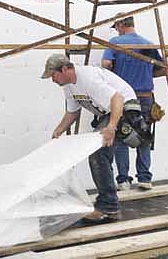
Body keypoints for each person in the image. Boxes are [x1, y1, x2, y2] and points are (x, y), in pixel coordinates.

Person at [42, 53, 138, 224]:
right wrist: (59, 130)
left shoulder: (88, 77)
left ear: (64, 69)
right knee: (98, 153)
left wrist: (112, 127)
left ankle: (108, 206)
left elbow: (118, 98)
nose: (53, 80)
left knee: (99, 153)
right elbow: (73, 111)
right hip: (108, 112)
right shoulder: (69, 86)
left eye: (53, 75)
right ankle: (107, 203)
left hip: (125, 107)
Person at [102, 14, 164, 191]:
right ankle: (144, 179)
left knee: (122, 136)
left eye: (116, 27)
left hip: (125, 98)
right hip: (145, 96)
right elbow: (163, 70)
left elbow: (106, 64)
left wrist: (117, 72)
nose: (117, 31)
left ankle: (123, 180)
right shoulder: (148, 44)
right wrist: (144, 73)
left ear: (121, 25)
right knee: (144, 135)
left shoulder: (115, 42)